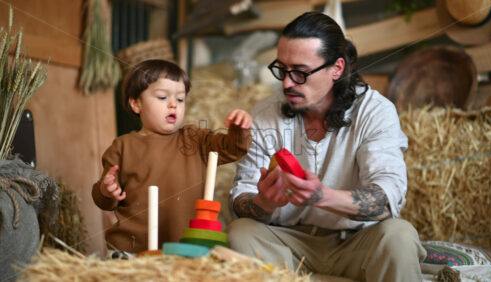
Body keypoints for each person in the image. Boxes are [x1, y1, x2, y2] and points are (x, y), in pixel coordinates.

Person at [227, 11, 426, 281]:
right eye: (282, 69)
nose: (286, 82)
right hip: (289, 245)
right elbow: (241, 199)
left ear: (337, 69)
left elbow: (386, 200)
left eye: (300, 72)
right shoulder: (264, 115)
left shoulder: (375, 111)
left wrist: (322, 196)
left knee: (399, 236)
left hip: (356, 243)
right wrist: (263, 202)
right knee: (241, 232)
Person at [92, 59, 252, 255]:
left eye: (180, 99)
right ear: (136, 103)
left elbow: (233, 149)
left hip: (185, 247)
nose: (173, 105)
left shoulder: (196, 139)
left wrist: (239, 129)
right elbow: (104, 200)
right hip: (133, 250)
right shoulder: (122, 146)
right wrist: (107, 191)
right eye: (161, 97)